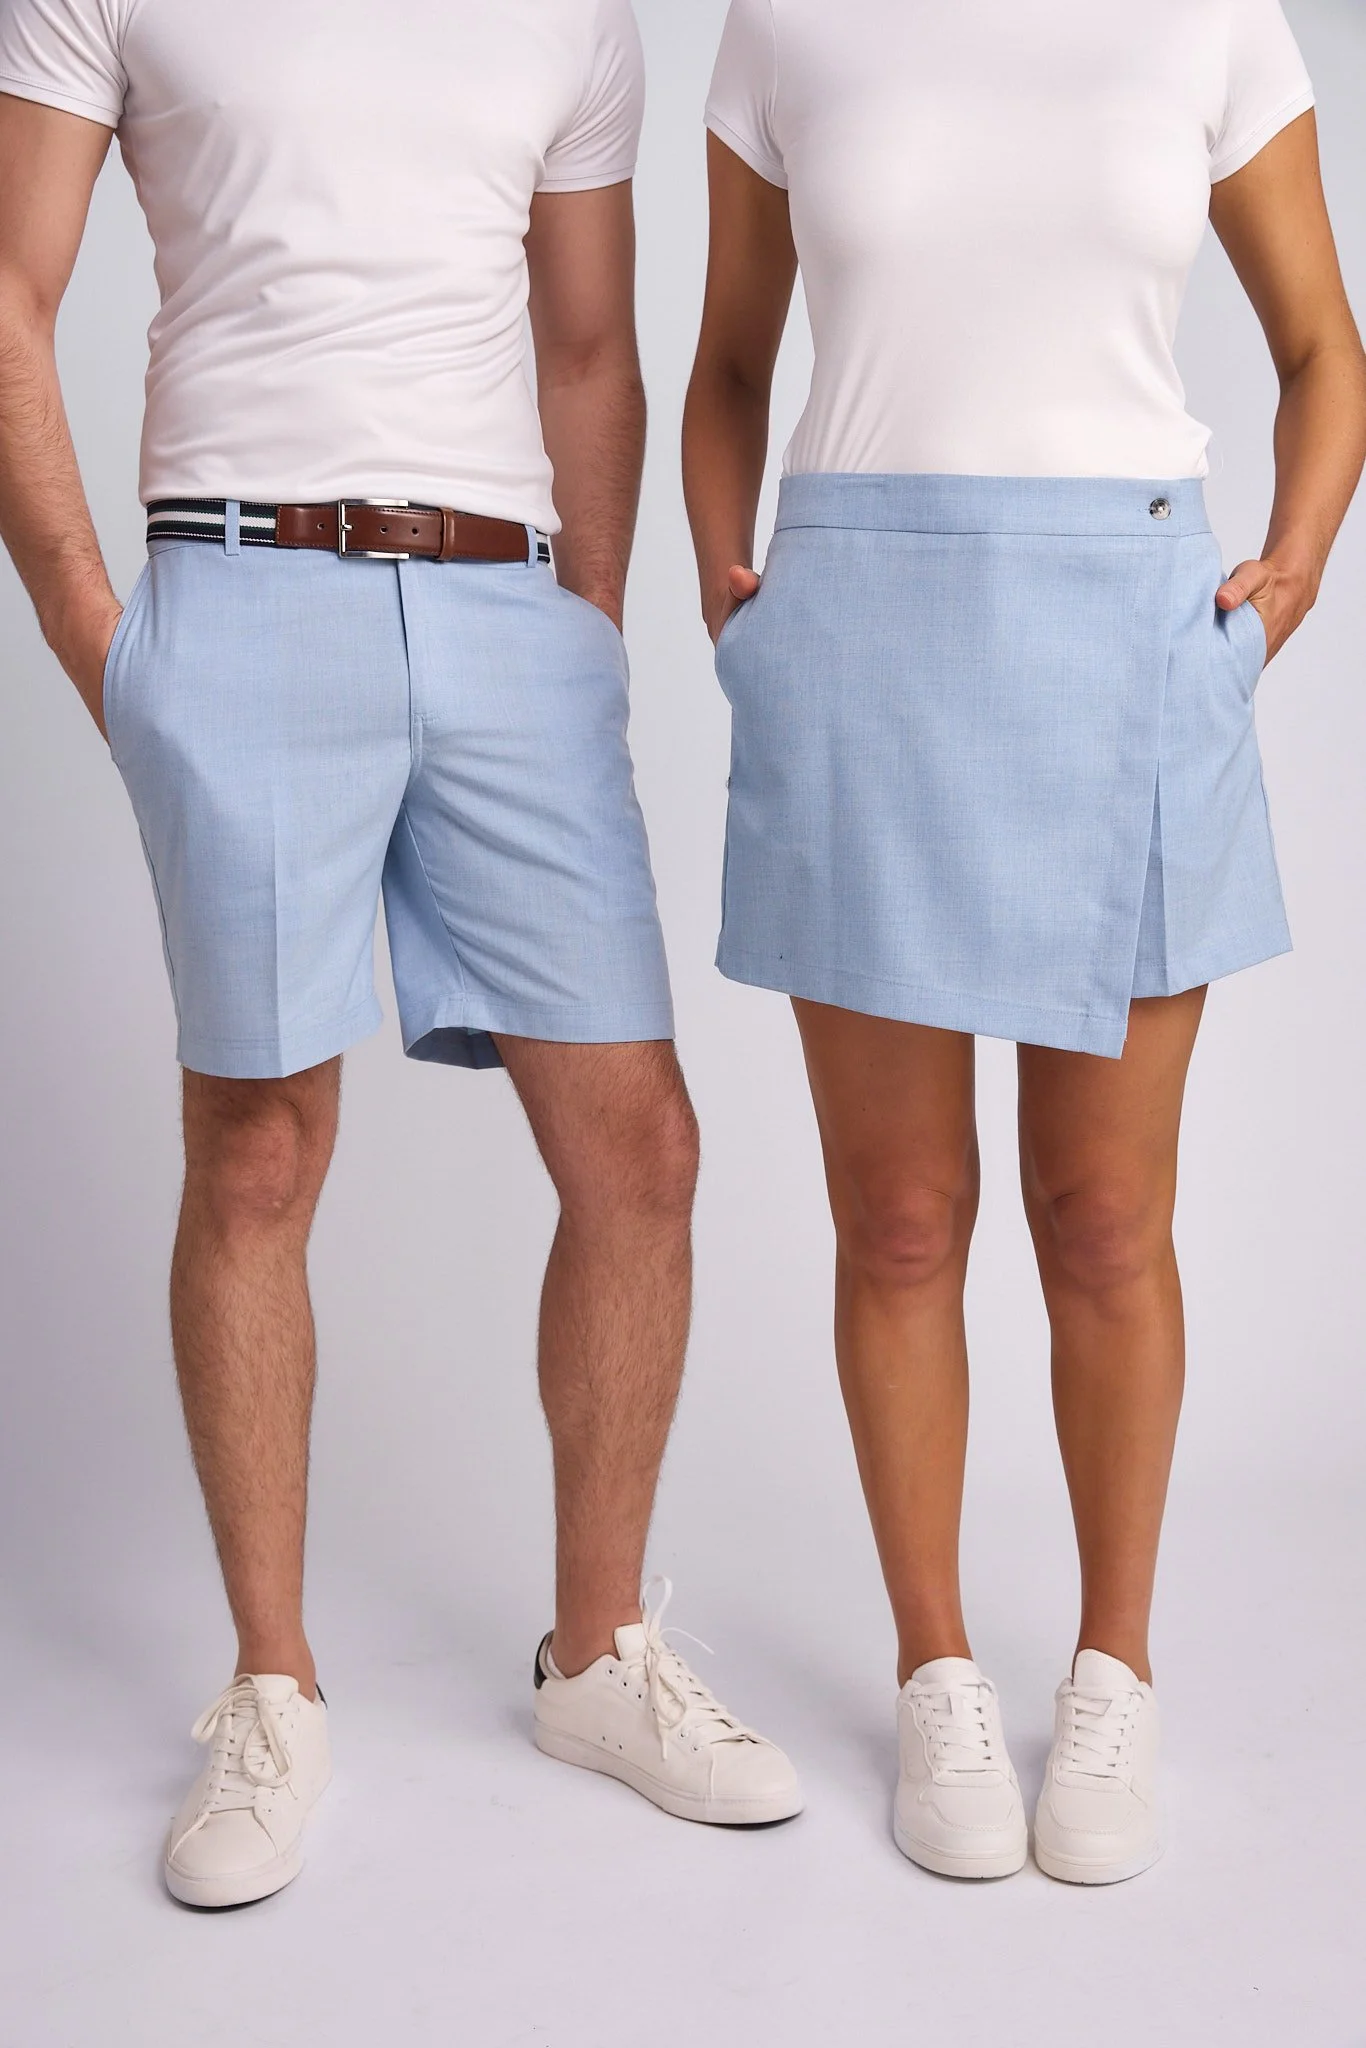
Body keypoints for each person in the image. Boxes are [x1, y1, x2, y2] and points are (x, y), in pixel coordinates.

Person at [0, 0, 801, 1911]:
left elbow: (586, 347)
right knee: (258, 1151)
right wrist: (103, 635)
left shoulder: (571, 15)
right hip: (239, 582)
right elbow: (12, 293)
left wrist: (583, 633)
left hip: (506, 605)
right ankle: (272, 1686)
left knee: (640, 1148)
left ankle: (595, 1656)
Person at [684, 0, 1366, 1884]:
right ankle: (935, 1672)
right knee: (900, 1220)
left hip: (1127, 635)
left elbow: (1324, 347)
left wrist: (1282, 587)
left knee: (1103, 1217)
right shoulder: (783, 20)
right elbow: (728, 359)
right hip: (861, 640)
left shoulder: (1211, 18)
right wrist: (735, 615)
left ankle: (1113, 1669)